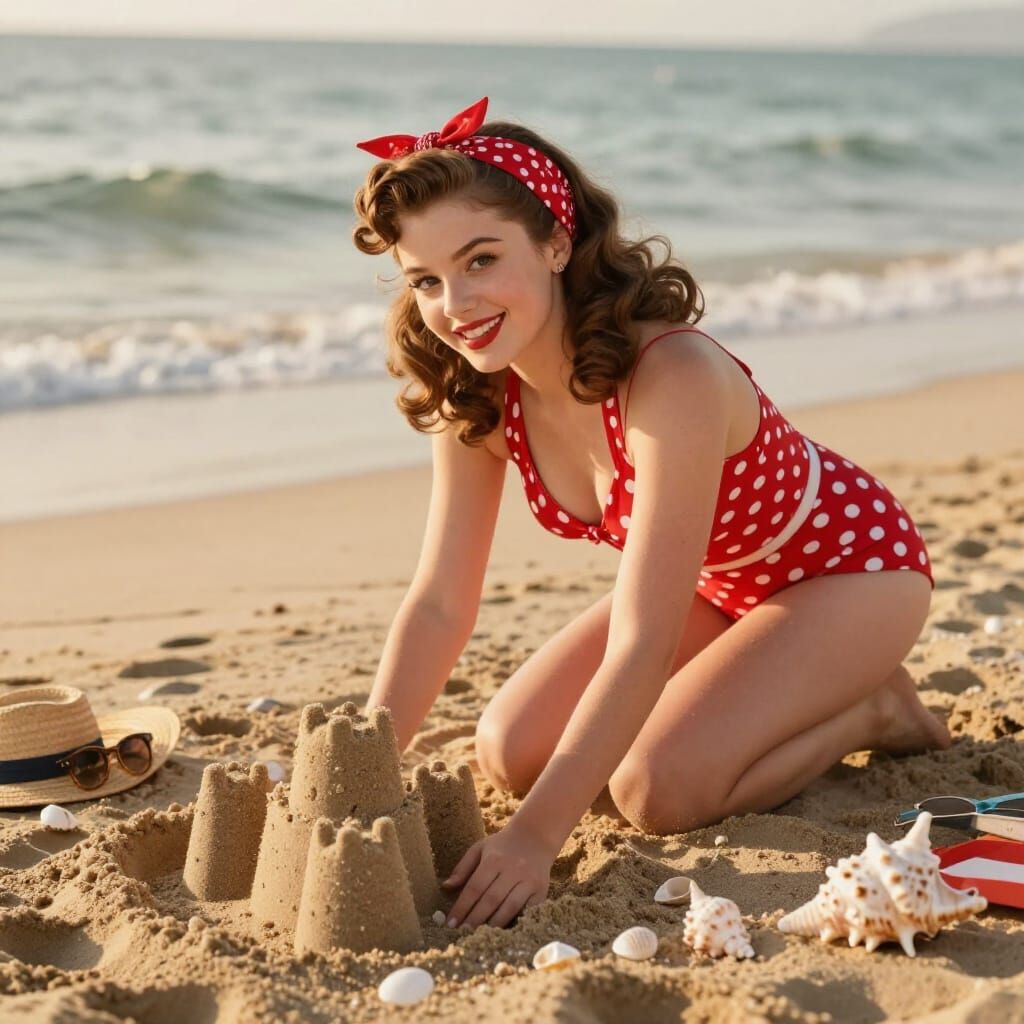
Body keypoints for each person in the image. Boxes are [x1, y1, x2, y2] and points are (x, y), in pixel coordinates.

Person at [352, 97, 951, 932]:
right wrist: (361, 771)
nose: (455, 303)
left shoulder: (672, 375)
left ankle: (874, 707)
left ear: (556, 243)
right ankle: (803, 684)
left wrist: (534, 840)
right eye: (426, 280)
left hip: (849, 574)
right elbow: (440, 604)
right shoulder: (477, 395)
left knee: (655, 790)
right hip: (719, 583)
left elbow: (643, 640)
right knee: (510, 751)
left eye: (480, 260)